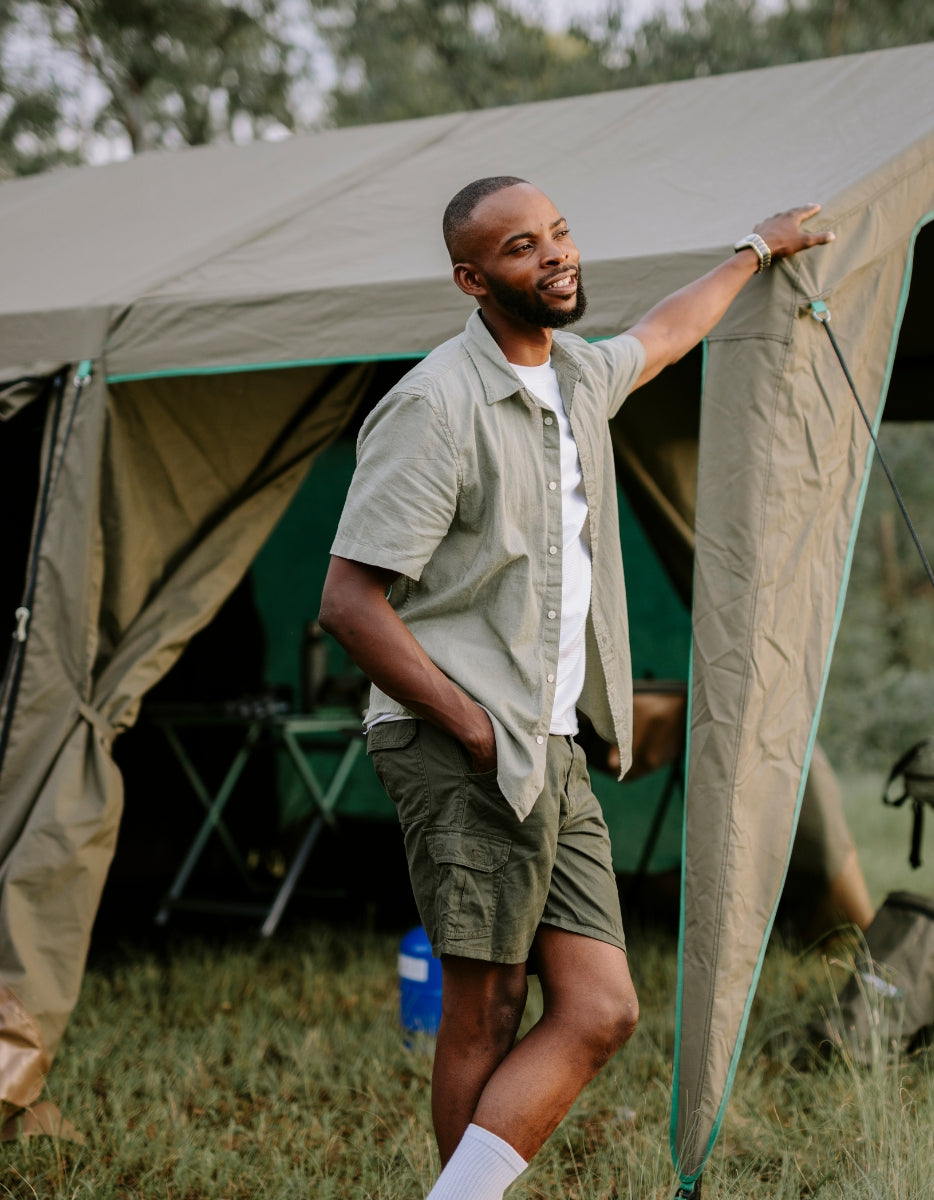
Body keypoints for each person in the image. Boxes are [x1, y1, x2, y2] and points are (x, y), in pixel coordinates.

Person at [318, 176, 833, 1200]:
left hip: (551, 742)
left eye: (557, 233)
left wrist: (756, 250)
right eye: (520, 247)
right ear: (472, 278)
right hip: (457, 735)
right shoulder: (436, 404)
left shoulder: (580, 380)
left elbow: (668, 330)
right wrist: (467, 723)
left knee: (601, 1006)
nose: (553, 255)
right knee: (487, 1002)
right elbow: (348, 601)